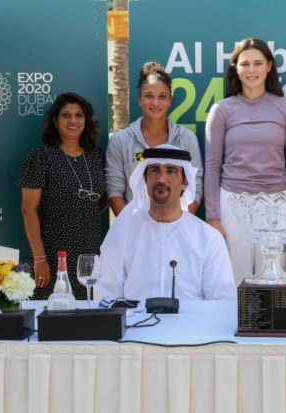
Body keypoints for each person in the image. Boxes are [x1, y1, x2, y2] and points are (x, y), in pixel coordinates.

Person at [205, 37, 286, 286]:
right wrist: (213, 218)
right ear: (235, 68)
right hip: (233, 205)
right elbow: (212, 167)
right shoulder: (221, 109)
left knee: (272, 286)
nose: (251, 70)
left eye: (258, 63)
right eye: (245, 64)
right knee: (235, 283)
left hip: (277, 207)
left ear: (269, 66)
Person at [94, 145, 236, 302]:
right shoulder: (121, 233)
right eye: (154, 170)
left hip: (192, 325)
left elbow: (222, 301)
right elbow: (106, 294)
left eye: (171, 171)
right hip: (135, 324)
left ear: (185, 183)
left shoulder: (209, 238)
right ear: (145, 179)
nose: (161, 179)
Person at [18, 92, 107, 300]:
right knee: (53, 313)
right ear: (55, 122)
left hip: (89, 249)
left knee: (88, 310)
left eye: (79, 115)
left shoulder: (97, 156)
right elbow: (28, 209)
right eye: (66, 115)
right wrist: (40, 259)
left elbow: (103, 197)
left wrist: (82, 212)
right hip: (52, 251)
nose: (73, 121)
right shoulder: (40, 157)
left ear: (86, 121)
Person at [106, 62, 204, 216]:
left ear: (170, 100)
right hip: (135, 231)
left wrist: (180, 224)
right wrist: (133, 227)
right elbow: (114, 189)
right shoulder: (120, 141)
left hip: (177, 230)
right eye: (149, 96)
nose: (155, 103)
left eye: (162, 97)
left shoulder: (187, 139)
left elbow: (195, 186)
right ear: (139, 99)